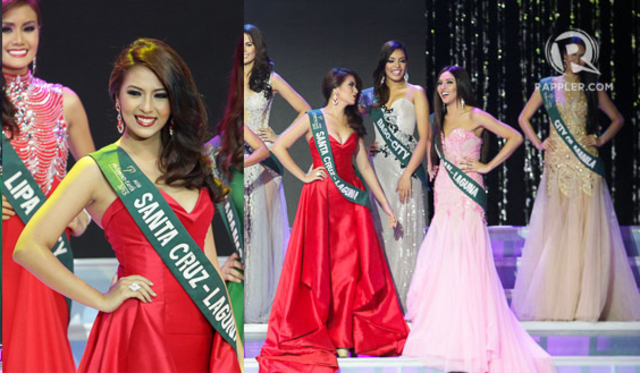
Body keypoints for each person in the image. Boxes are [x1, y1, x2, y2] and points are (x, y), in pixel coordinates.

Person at [13, 38, 242, 372]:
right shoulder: (97, 169)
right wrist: (100, 299)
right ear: (117, 97)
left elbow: (204, 262)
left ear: (174, 101)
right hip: (142, 329)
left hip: (204, 325)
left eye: (160, 94)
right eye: (135, 93)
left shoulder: (193, 165)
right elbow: (29, 248)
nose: (146, 107)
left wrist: (231, 341)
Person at [403, 66, 556, 373]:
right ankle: (448, 327)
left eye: (449, 82)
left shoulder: (475, 115)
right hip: (445, 192)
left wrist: (486, 166)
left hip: (469, 193)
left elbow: (513, 137)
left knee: (469, 259)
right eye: (440, 84)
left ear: (460, 85)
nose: (443, 88)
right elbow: (431, 148)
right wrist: (433, 165)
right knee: (444, 255)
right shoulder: (437, 119)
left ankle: (473, 332)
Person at [258, 67, 409, 373]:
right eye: (352, 86)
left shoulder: (354, 123)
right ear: (335, 90)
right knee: (321, 269)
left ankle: (343, 336)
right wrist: (303, 175)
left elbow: (364, 169)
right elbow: (279, 146)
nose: (356, 91)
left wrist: (385, 205)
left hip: (351, 205)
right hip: (321, 202)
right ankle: (324, 333)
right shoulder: (312, 118)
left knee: (348, 273)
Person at [511, 36, 640, 321]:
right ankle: (559, 300)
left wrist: (601, 139)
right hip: (558, 164)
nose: (578, 60)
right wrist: (539, 142)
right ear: (562, 57)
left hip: (586, 163)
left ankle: (586, 301)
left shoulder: (592, 86)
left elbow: (618, 118)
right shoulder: (546, 86)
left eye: (582, 55)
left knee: (586, 231)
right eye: (572, 55)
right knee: (560, 231)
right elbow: (523, 118)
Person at [2, 0, 94, 370]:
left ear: (41, 31)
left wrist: (81, 213)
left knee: (39, 351)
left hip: (47, 248)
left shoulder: (65, 102)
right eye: (6, 28)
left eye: (29, 27)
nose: (19, 39)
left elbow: (95, 182)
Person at [243, 23, 311, 323]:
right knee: (244, 231)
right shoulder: (230, 79)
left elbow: (306, 111)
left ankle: (267, 302)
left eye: (248, 44)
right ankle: (242, 299)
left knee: (263, 232)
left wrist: (278, 138)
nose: (244, 50)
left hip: (264, 162)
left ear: (257, 47)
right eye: (240, 44)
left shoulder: (269, 79)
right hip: (238, 158)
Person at [360, 40, 429, 310]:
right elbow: (345, 120)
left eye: (401, 60)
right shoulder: (370, 96)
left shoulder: (416, 93)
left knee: (406, 234)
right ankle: (384, 301)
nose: (396, 66)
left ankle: (408, 301)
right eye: (391, 61)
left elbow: (423, 138)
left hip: (406, 171)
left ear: (407, 64)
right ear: (383, 64)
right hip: (380, 172)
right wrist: (362, 148)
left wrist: (407, 174)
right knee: (383, 234)